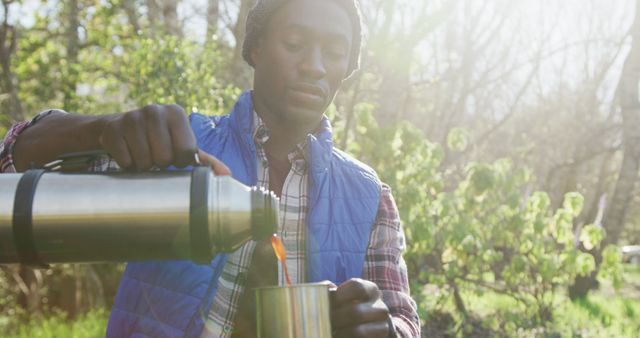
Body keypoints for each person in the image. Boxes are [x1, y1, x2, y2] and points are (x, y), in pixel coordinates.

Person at [0, 0, 420, 337]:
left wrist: (384, 327)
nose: (315, 65)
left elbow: (403, 320)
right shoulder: (178, 148)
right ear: (255, 48)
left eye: (333, 52)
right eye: (294, 43)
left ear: (346, 70)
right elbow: (10, 173)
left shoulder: (369, 195)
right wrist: (99, 129)